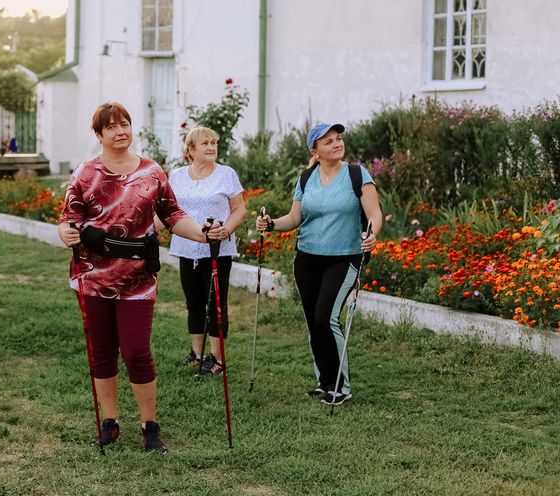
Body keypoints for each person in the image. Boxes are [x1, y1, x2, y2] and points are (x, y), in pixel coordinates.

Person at [58, 102, 227, 453]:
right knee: (101, 351)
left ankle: (150, 426)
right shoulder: (85, 173)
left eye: (125, 124)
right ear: (99, 134)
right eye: (112, 127)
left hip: (137, 278)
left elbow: (172, 213)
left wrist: (202, 235)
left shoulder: (152, 172)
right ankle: (110, 421)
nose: (121, 132)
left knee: (136, 351)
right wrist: (66, 233)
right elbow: (68, 217)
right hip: (93, 276)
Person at [256, 122, 382, 406]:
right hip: (307, 257)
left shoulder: (356, 174)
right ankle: (324, 381)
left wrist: (372, 234)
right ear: (315, 150)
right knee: (314, 321)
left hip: (345, 256)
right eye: (328, 142)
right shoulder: (306, 178)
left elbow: (374, 211)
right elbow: (294, 218)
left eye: (338, 139)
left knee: (326, 317)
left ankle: (340, 385)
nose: (337, 144)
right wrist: (271, 224)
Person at [165, 127, 246, 376]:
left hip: (216, 251)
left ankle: (217, 359)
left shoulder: (226, 174)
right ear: (191, 150)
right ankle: (197, 354)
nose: (211, 147)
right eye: (205, 144)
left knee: (216, 304)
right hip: (186, 249)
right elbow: (167, 212)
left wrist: (227, 229)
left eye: (214, 143)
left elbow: (239, 209)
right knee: (194, 303)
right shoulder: (176, 176)